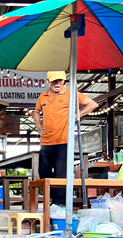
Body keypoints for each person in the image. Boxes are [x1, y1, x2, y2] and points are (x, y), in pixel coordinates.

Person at [33, 71, 98, 206]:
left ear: (64, 81)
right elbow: (36, 112)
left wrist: (77, 115)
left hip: (63, 140)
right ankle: (50, 198)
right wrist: (39, 125)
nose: (57, 83)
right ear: (48, 81)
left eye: (60, 80)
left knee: (61, 172)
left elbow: (93, 104)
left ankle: (59, 203)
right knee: (43, 171)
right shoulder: (42, 97)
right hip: (46, 140)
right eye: (54, 81)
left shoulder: (71, 93)